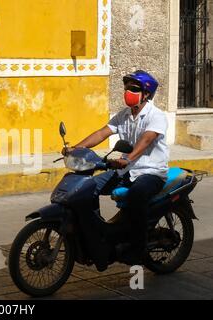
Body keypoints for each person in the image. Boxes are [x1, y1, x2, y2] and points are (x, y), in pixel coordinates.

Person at [66, 70, 169, 264]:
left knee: (136, 196)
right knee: (87, 188)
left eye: (133, 88)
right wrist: (76, 148)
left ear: (146, 94)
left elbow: (146, 140)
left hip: (150, 172)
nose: (127, 91)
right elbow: (101, 133)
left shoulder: (156, 116)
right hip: (126, 171)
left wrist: (128, 158)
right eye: (126, 87)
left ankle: (137, 249)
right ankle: (99, 235)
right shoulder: (123, 115)